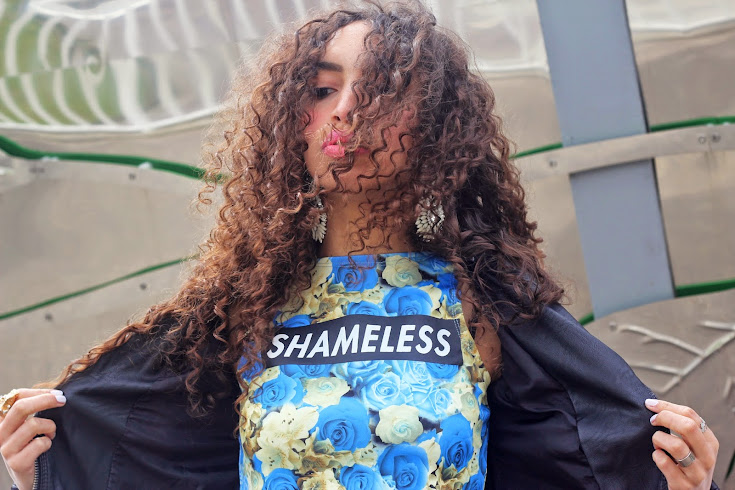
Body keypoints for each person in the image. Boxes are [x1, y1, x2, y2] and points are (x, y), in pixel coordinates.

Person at [0, 1, 720, 489]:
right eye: (322, 89)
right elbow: (135, 457)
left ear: (436, 125)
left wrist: (675, 481)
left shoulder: (485, 309)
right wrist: (52, 469)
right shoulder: (240, 313)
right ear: (292, 124)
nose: (347, 110)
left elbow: (592, 457)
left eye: (384, 89)